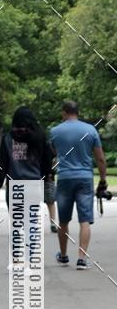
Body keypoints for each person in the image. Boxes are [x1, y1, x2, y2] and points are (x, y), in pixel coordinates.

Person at [50, 101, 107, 269]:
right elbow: (101, 159)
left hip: (65, 177)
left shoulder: (55, 131)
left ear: (64, 112)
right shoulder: (90, 130)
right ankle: (82, 258)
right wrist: (103, 179)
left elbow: (54, 151)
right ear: (77, 112)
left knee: (64, 220)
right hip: (84, 178)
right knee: (85, 220)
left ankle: (64, 255)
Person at [0, 107, 53, 211]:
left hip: (14, 185)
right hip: (34, 183)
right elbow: (47, 161)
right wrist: (44, 177)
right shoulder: (40, 137)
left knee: (17, 223)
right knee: (31, 222)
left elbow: (2, 164)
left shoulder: (7, 139)